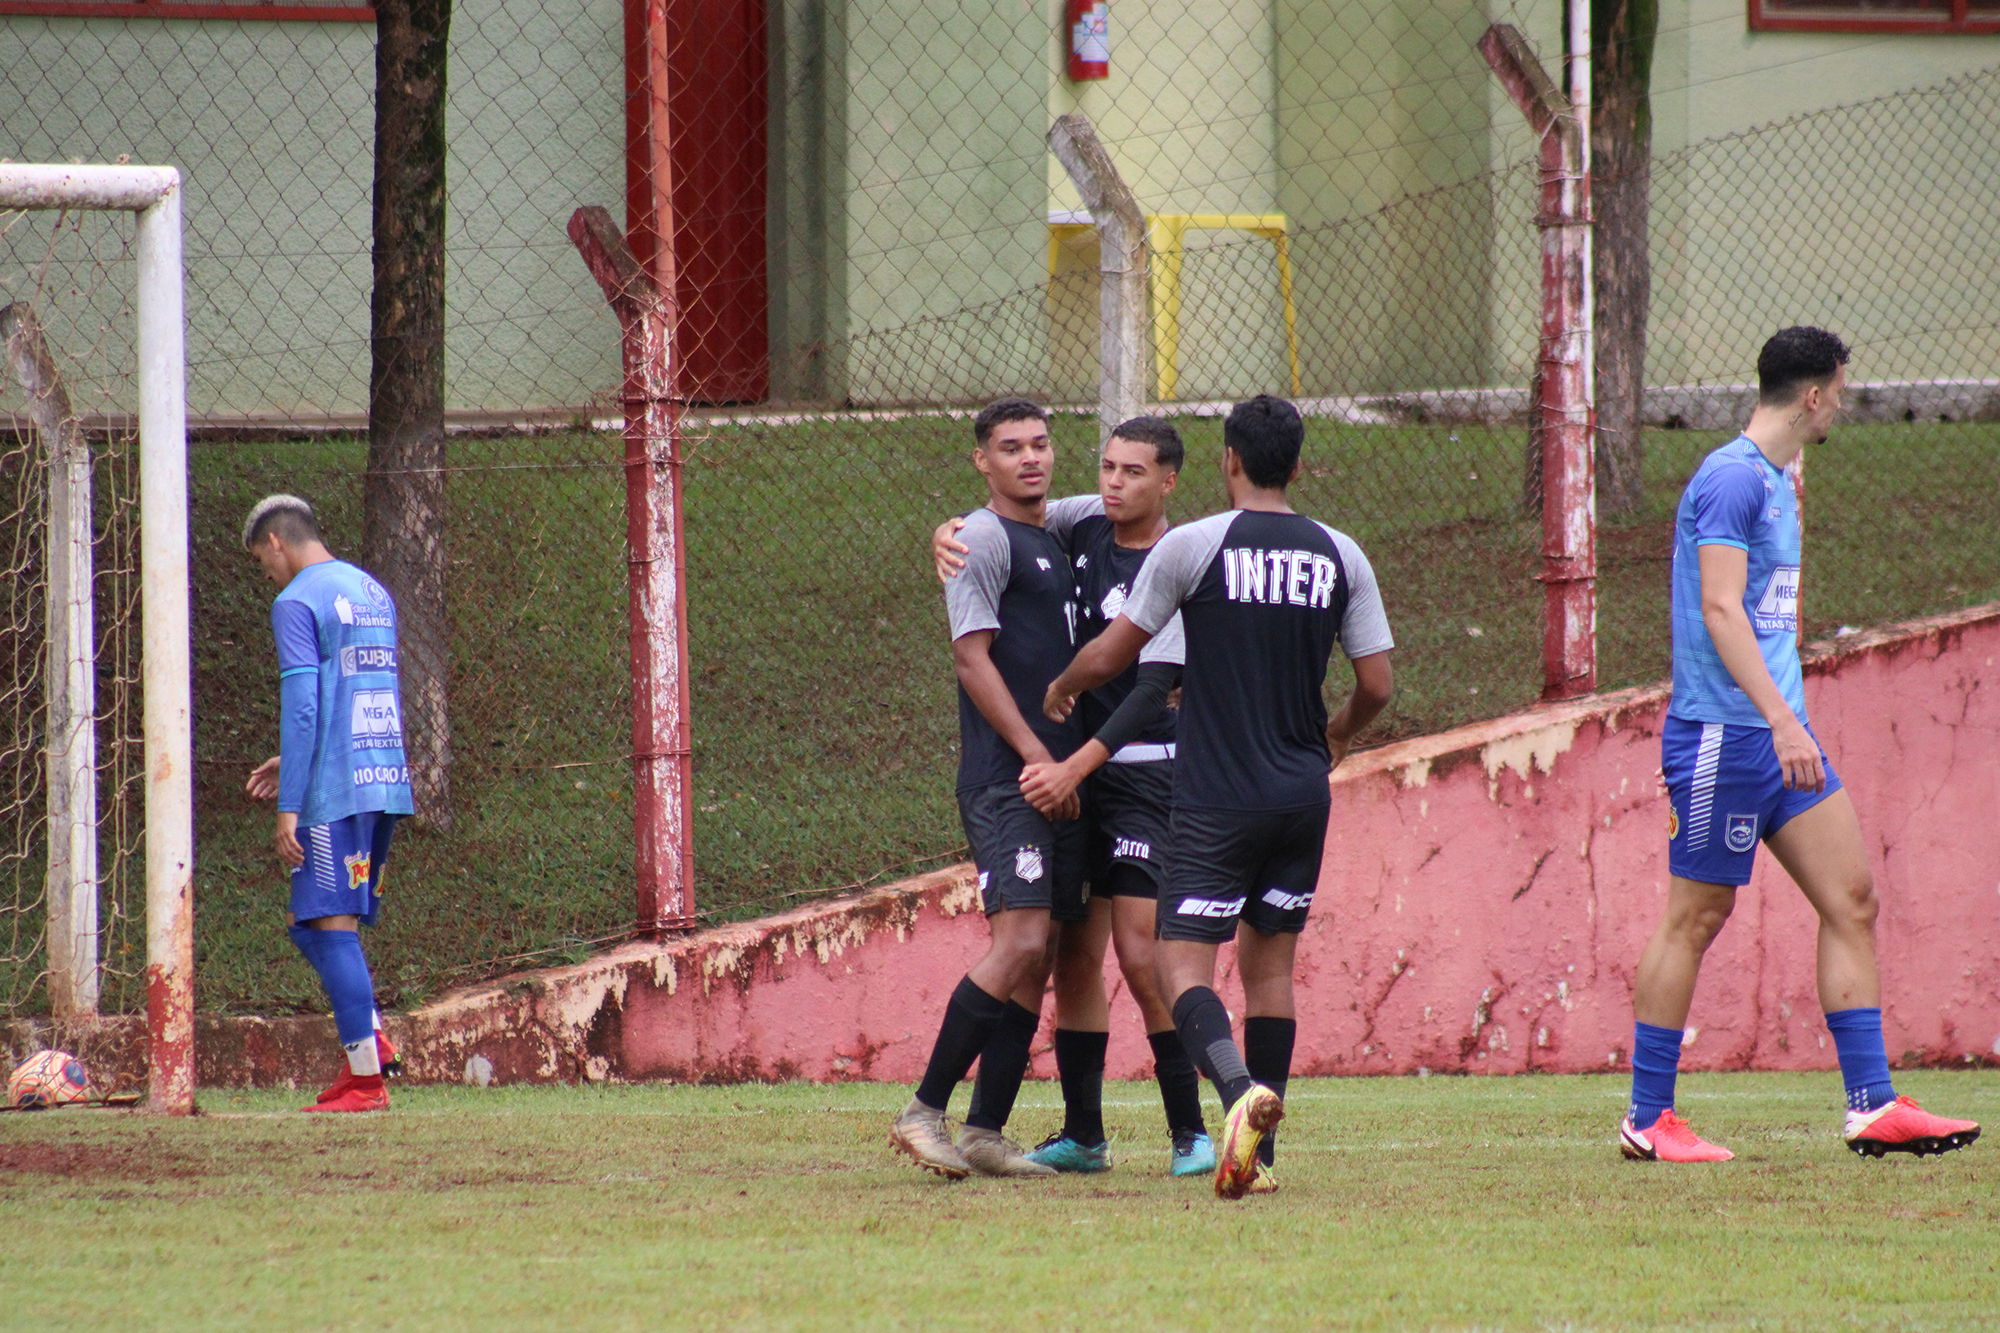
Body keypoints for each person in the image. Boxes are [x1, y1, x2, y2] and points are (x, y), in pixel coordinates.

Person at [1620, 327, 1980, 1163]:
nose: (1843, 406)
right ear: (1813, 394)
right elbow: (1719, 607)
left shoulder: (1778, 482)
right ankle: (1647, 1117)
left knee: (1851, 898)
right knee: (1696, 914)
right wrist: (1783, 718)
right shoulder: (1730, 477)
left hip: (1781, 738)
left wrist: (1790, 722)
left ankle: (1871, 1105)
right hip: (1726, 735)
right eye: (1841, 391)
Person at [1042, 396, 1394, 1198]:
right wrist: (1337, 734)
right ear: (1297, 465)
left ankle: (1238, 1096)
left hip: (1212, 796)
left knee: (1179, 965)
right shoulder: (1341, 553)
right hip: (1301, 794)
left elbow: (1115, 652)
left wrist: (1064, 683)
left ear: (1229, 459)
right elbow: (1377, 681)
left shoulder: (1193, 545)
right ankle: (1257, 1159)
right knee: (1271, 972)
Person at [932, 416, 1216, 1178]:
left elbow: (1155, 682)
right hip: (1077, 778)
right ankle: (1082, 1134)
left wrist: (1074, 758)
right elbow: (1001, 521)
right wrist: (952, 531)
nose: (1115, 482)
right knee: (1070, 956)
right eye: (1108, 467)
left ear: (1169, 482)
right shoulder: (1085, 526)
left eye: (1134, 471)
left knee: (1138, 950)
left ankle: (1189, 1131)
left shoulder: (1180, 557)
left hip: (1146, 772)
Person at [889, 399, 1086, 1180]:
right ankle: (922, 1109)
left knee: (1042, 956)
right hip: (1011, 777)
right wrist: (1038, 752)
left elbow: (1124, 499)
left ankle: (985, 1133)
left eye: (1040, 444)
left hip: (1060, 776)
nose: (1029, 458)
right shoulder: (984, 538)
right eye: (1010, 448)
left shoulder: (1056, 530)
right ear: (982, 460)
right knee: (1023, 943)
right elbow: (972, 660)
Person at [241, 495, 414, 1113]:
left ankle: (367, 1082)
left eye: (262, 559)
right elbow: (359, 690)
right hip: (383, 779)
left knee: (330, 928)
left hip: (335, 793)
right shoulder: (373, 591)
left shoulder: (295, 601)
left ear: (277, 543)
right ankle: (369, 1037)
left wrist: (290, 805)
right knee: (308, 921)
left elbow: (307, 705)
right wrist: (294, 760)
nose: (266, 572)